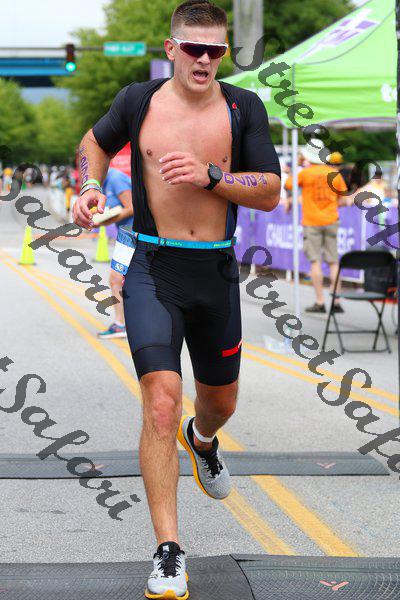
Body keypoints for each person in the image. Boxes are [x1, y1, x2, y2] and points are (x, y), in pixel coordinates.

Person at [73, 1, 280, 597]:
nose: (205, 59)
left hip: (214, 270)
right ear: (172, 49)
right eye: (194, 48)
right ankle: (168, 550)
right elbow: (92, 143)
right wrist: (88, 185)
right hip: (153, 267)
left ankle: (204, 439)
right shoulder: (137, 102)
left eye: (216, 50)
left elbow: (269, 190)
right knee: (160, 403)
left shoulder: (243, 107)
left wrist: (213, 176)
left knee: (220, 403)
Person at [285, 147, 347, 314]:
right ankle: (336, 301)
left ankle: (320, 302)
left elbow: (288, 184)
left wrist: (297, 165)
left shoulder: (305, 172)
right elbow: (343, 199)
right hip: (331, 219)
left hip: (312, 221)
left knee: (315, 262)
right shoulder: (334, 173)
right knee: (333, 261)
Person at [96, 167, 134, 339]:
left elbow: (132, 207)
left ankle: (120, 325)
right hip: (127, 233)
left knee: (115, 279)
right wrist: (101, 221)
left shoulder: (115, 178)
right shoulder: (103, 182)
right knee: (120, 280)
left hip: (132, 233)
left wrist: (103, 220)